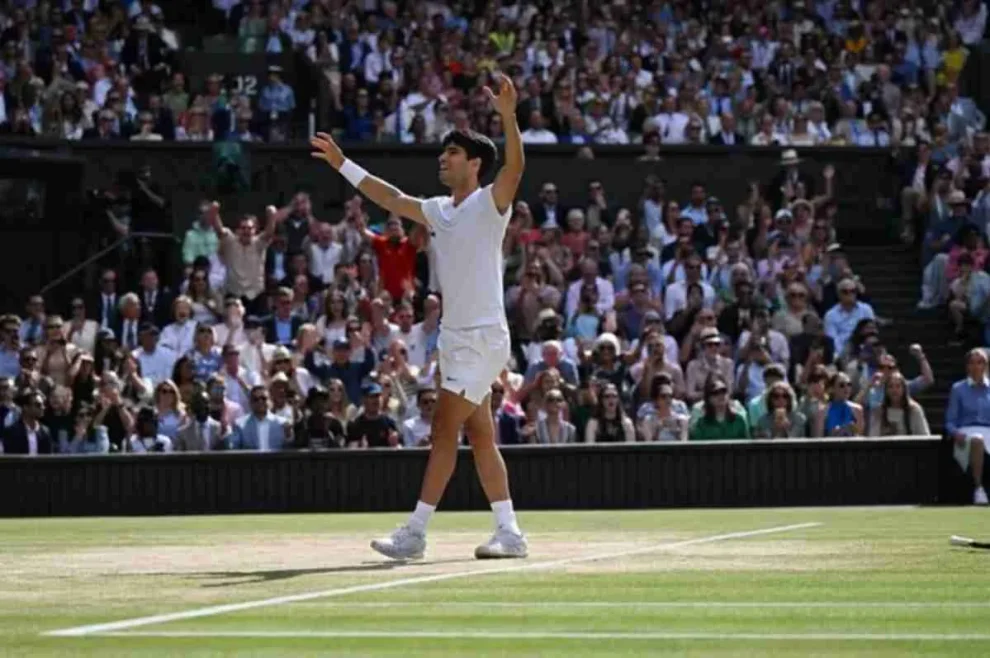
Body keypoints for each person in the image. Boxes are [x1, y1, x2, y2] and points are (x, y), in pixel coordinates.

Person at [310, 72, 528, 560]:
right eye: (443, 153)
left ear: (474, 163)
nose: (442, 159)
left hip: (484, 337)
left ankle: (415, 530)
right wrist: (344, 164)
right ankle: (510, 531)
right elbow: (389, 197)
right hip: (455, 338)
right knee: (478, 433)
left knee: (443, 429)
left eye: (451, 154)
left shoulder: (492, 202)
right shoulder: (437, 210)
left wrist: (509, 118)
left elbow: (515, 166)